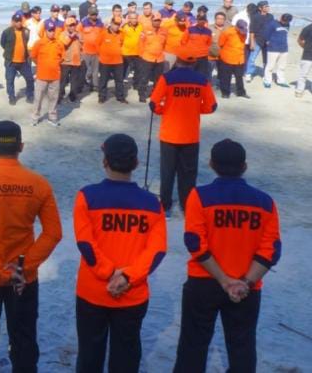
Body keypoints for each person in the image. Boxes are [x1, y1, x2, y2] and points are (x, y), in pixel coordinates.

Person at [0, 121, 62, 373]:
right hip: (23, 278)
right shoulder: (38, 184)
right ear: (21, 146)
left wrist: (0, 268)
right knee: (24, 339)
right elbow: (53, 233)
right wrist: (21, 267)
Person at [174, 139, 281, 373]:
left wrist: (223, 279)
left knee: (193, 346)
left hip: (204, 280)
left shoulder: (199, 196)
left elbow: (194, 243)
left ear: (212, 164)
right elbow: (271, 249)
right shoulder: (265, 202)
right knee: (242, 347)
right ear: (244, 166)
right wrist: (245, 282)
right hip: (246, 285)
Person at [73, 134, 167, 373]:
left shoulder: (87, 196)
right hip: (132, 293)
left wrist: (108, 273)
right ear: (136, 164)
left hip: (93, 291)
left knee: (89, 354)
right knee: (126, 354)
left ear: (105, 161)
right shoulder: (153, 204)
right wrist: (127, 277)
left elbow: (85, 243)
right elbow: (156, 251)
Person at [149, 54, 218, 215]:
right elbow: (212, 106)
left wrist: (164, 110)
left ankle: (165, 205)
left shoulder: (167, 78)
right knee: (188, 173)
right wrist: (195, 109)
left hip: (169, 134)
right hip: (191, 134)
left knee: (167, 171)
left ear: (178, 61)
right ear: (193, 63)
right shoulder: (202, 80)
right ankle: (187, 206)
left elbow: (153, 104)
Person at [31, 20, 68, 126]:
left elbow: (62, 57)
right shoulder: (39, 43)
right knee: (38, 97)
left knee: (54, 98)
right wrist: (41, 65)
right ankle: (35, 117)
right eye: (49, 30)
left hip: (55, 76)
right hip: (41, 76)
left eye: (53, 30)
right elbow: (33, 56)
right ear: (45, 31)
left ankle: (52, 117)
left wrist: (54, 64)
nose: (51, 32)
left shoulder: (59, 43)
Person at [0, 13, 34, 106]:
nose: (19, 23)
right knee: (10, 80)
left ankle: (30, 95)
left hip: (23, 61)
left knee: (30, 79)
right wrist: (9, 52)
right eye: (16, 21)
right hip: (11, 61)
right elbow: (3, 44)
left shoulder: (26, 31)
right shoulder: (6, 32)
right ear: (13, 22)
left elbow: (27, 42)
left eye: (20, 21)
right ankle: (11, 97)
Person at [135, 14, 165, 103]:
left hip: (159, 59)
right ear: (151, 21)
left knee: (158, 79)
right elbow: (140, 44)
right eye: (155, 20)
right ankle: (142, 95)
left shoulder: (164, 31)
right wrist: (141, 56)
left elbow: (164, 44)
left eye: (159, 20)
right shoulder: (145, 30)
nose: (157, 22)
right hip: (147, 58)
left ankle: (155, 94)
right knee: (144, 78)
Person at [217, 20, 249, 98]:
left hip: (239, 58)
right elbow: (220, 44)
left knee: (239, 77)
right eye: (241, 29)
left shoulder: (245, 31)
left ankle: (241, 92)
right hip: (227, 58)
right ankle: (225, 93)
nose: (242, 32)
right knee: (226, 77)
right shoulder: (227, 32)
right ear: (236, 27)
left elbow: (243, 44)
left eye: (244, 30)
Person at [97, 20, 126, 104]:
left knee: (119, 80)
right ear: (111, 24)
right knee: (103, 80)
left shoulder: (121, 33)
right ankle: (102, 97)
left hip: (118, 61)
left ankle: (120, 97)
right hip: (105, 62)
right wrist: (101, 55)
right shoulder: (103, 33)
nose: (117, 26)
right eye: (115, 24)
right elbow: (97, 44)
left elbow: (124, 43)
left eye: (118, 24)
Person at [262, 13, 292, 89]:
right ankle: (267, 81)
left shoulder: (287, 25)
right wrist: (268, 41)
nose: (284, 22)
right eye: (283, 20)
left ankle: (280, 80)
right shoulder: (272, 23)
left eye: (286, 21)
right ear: (281, 17)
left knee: (282, 66)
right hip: (273, 49)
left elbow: (285, 34)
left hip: (284, 49)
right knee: (270, 66)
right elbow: (265, 34)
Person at [78, 6, 104, 93]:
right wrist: (80, 41)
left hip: (97, 52)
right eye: (92, 14)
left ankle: (94, 86)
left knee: (95, 70)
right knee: (83, 70)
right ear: (89, 14)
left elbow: (104, 35)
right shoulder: (83, 23)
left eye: (95, 14)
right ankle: (81, 85)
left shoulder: (100, 24)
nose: (94, 16)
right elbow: (78, 32)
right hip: (85, 51)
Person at [245, 0, 273, 82]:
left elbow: (272, 29)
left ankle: (266, 74)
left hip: (267, 41)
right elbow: (252, 30)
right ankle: (248, 73)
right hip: (257, 40)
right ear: (260, 8)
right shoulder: (255, 17)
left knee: (267, 59)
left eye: (268, 6)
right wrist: (252, 42)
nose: (268, 8)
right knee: (252, 58)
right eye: (266, 6)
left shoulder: (270, 16)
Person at [59, 15, 83, 104]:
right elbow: (64, 43)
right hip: (66, 61)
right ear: (67, 26)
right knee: (63, 80)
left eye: (74, 25)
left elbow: (83, 43)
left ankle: (72, 96)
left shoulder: (78, 33)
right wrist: (72, 36)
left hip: (76, 61)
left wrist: (79, 38)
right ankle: (60, 96)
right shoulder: (62, 34)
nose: (72, 27)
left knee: (74, 81)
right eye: (70, 25)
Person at [183, 14, 214, 80]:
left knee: (201, 76)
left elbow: (209, 44)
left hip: (203, 57)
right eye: (200, 19)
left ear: (205, 21)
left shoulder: (208, 31)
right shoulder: (190, 29)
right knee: (189, 74)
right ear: (197, 20)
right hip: (191, 57)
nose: (201, 21)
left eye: (203, 19)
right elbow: (183, 42)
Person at [120, 12, 142, 81]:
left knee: (138, 69)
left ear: (137, 18)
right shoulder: (124, 27)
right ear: (129, 19)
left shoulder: (141, 26)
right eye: (132, 18)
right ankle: (121, 82)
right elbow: (121, 39)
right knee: (124, 69)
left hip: (137, 52)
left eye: (135, 18)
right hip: (126, 52)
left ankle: (136, 84)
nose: (134, 20)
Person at [296, 18, 312, 97]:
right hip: (308, 55)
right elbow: (299, 40)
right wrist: (306, 48)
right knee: (303, 74)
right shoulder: (307, 28)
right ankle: (299, 91)